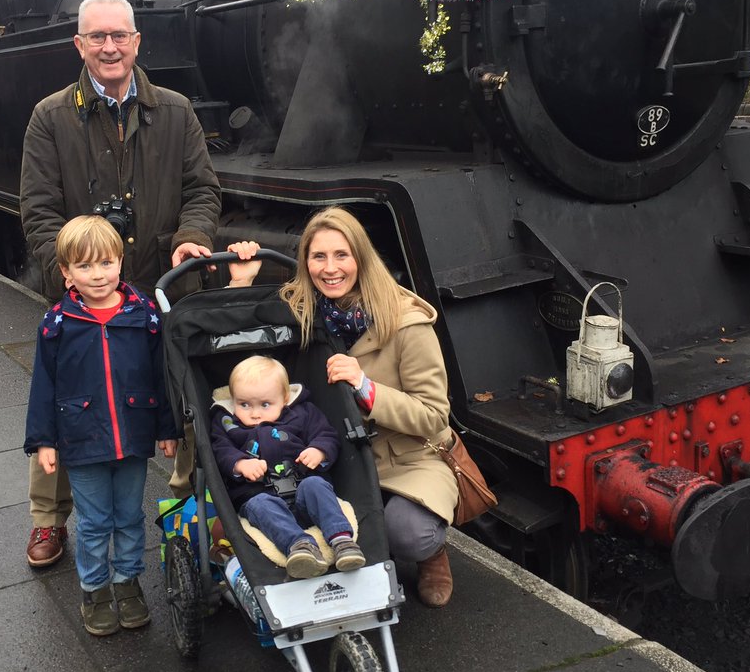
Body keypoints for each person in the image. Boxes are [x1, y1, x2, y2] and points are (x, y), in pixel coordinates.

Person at [18, 0, 221, 569]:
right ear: (79, 45)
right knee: (66, 401)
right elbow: (37, 209)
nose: (110, 47)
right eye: (98, 37)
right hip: (84, 294)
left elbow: (203, 191)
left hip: (159, 282)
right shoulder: (49, 117)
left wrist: (195, 238)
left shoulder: (176, 111)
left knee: (181, 396)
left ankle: (187, 507)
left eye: (120, 36)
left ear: (137, 41)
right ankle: (48, 520)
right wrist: (71, 277)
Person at [237, 208, 460, 607]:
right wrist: (242, 282)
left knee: (408, 533)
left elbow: (433, 415)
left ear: (361, 257)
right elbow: (251, 369)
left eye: (342, 255)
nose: (330, 268)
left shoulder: (407, 322)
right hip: (330, 454)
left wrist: (366, 386)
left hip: (405, 457)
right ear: (305, 262)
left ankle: (432, 553)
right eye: (318, 257)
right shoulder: (301, 310)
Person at [24, 215, 179, 636]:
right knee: (94, 522)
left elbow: (160, 375)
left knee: (130, 516)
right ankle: (95, 589)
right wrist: (43, 440)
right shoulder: (57, 324)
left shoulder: (144, 314)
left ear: (121, 261)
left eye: (107, 263)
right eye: (86, 266)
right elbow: (44, 385)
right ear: (66, 272)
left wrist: (167, 428)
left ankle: (127, 583)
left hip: (132, 436)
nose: (98, 275)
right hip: (81, 438)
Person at [211, 355, 366, 579]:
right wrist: (240, 464)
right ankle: (300, 547)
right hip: (259, 494)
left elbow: (327, 435)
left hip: (303, 488)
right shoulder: (227, 423)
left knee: (316, 485)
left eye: (265, 405)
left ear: (284, 399)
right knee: (260, 504)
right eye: (244, 404)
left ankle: (342, 541)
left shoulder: (302, 413)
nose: (254, 413)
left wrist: (319, 450)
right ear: (233, 399)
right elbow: (220, 450)